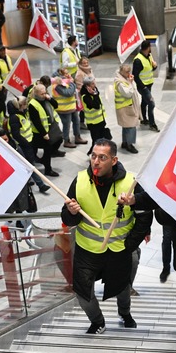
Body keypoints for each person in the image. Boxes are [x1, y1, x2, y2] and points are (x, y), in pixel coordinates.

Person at [61, 139, 152, 334]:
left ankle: (125, 313)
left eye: (102, 158)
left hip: (120, 248)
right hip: (88, 250)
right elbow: (67, 219)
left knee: (123, 287)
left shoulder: (130, 182)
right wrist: (72, 212)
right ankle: (97, 321)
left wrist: (131, 243)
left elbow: (144, 215)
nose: (96, 161)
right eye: (93, 156)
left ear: (113, 160)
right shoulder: (79, 181)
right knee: (82, 292)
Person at [51, 68, 87, 148]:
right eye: (66, 74)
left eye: (68, 73)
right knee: (66, 125)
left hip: (71, 107)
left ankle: (77, 137)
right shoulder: (57, 84)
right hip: (64, 109)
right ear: (61, 75)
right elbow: (68, 93)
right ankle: (66, 141)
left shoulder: (66, 82)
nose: (68, 75)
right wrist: (72, 83)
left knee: (76, 121)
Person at [132, 40, 160, 132]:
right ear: (148, 47)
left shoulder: (149, 56)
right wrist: (143, 87)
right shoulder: (138, 60)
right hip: (143, 86)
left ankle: (144, 119)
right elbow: (135, 76)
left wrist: (154, 66)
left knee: (144, 102)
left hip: (149, 84)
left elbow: (151, 67)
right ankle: (152, 124)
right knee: (151, 104)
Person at [113, 64, 141, 154]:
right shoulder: (119, 82)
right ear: (121, 72)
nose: (129, 73)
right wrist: (130, 83)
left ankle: (125, 142)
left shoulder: (125, 78)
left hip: (127, 106)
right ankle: (130, 144)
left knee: (126, 126)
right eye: (127, 72)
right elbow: (128, 93)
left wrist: (130, 82)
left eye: (129, 71)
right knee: (131, 126)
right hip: (124, 107)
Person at [80, 76, 110, 156]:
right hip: (93, 123)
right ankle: (92, 154)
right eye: (92, 83)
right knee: (96, 140)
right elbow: (96, 106)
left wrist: (95, 94)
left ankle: (98, 153)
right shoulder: (85, 97)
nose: (95, 85)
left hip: (101, 120)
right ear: (87, 86)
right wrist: (95, 94)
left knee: (102, 138)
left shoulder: (95, 91)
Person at [75, 56, 93, 130]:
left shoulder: (89, 70)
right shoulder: (80, 73)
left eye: (87, 62)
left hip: (91, 91)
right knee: (84, 109)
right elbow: (79, 85)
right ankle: (82, 122)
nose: (86, 64)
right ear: (80, 64)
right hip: (84, 94)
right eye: (84, 63)